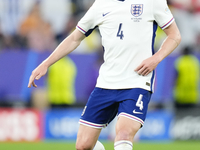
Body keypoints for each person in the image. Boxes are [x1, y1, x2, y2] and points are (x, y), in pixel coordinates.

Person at [28, 0, 181, 149]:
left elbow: (174, 35)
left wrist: (156, 58)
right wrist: (45, 63)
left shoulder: (152, 2)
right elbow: (75, 38)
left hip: (137, 81)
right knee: (84, 145)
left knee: (123, 134)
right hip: (106, 83)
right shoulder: (100, 4)